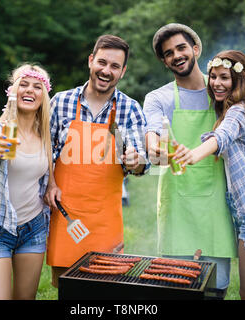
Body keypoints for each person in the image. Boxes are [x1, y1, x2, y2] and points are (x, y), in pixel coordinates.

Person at [143, 23, 245, 298]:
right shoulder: (158, 98)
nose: (176, 55)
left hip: (221, 208)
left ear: (196, 49)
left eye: (181, 47)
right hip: (178, 208)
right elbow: (153, 134)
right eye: (168, 53)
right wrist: (155, 149)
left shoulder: (224, 94)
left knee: (216, 290)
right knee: (178, 289)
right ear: (163, 60)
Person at [178, 50, 245, 299]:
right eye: (213, 77)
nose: (217, 83)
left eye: (224, 77)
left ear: (238, 80)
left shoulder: (238, 112)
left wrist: (194, 155)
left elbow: (222, 136)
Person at [45, 35, 149, 288]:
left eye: (115, 66)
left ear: (123, 71)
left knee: (106, 289)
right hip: (66, 214)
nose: (106, 71)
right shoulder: (61, 102)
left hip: (105, 219)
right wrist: (49, 184)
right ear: (91, 61)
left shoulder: (130, 109)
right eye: (102, 62)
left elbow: (140, 163)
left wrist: (136, 161)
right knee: (67, 287)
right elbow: (43, 153)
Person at [0, 63, 58, 299]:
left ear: (44, 96)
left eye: (37, 87)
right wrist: (2, 139)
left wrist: (52, 185)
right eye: (23, 85)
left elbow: (47, 173)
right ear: (12, 91)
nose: (30, 90)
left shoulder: (45, 136)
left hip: (33, 229)